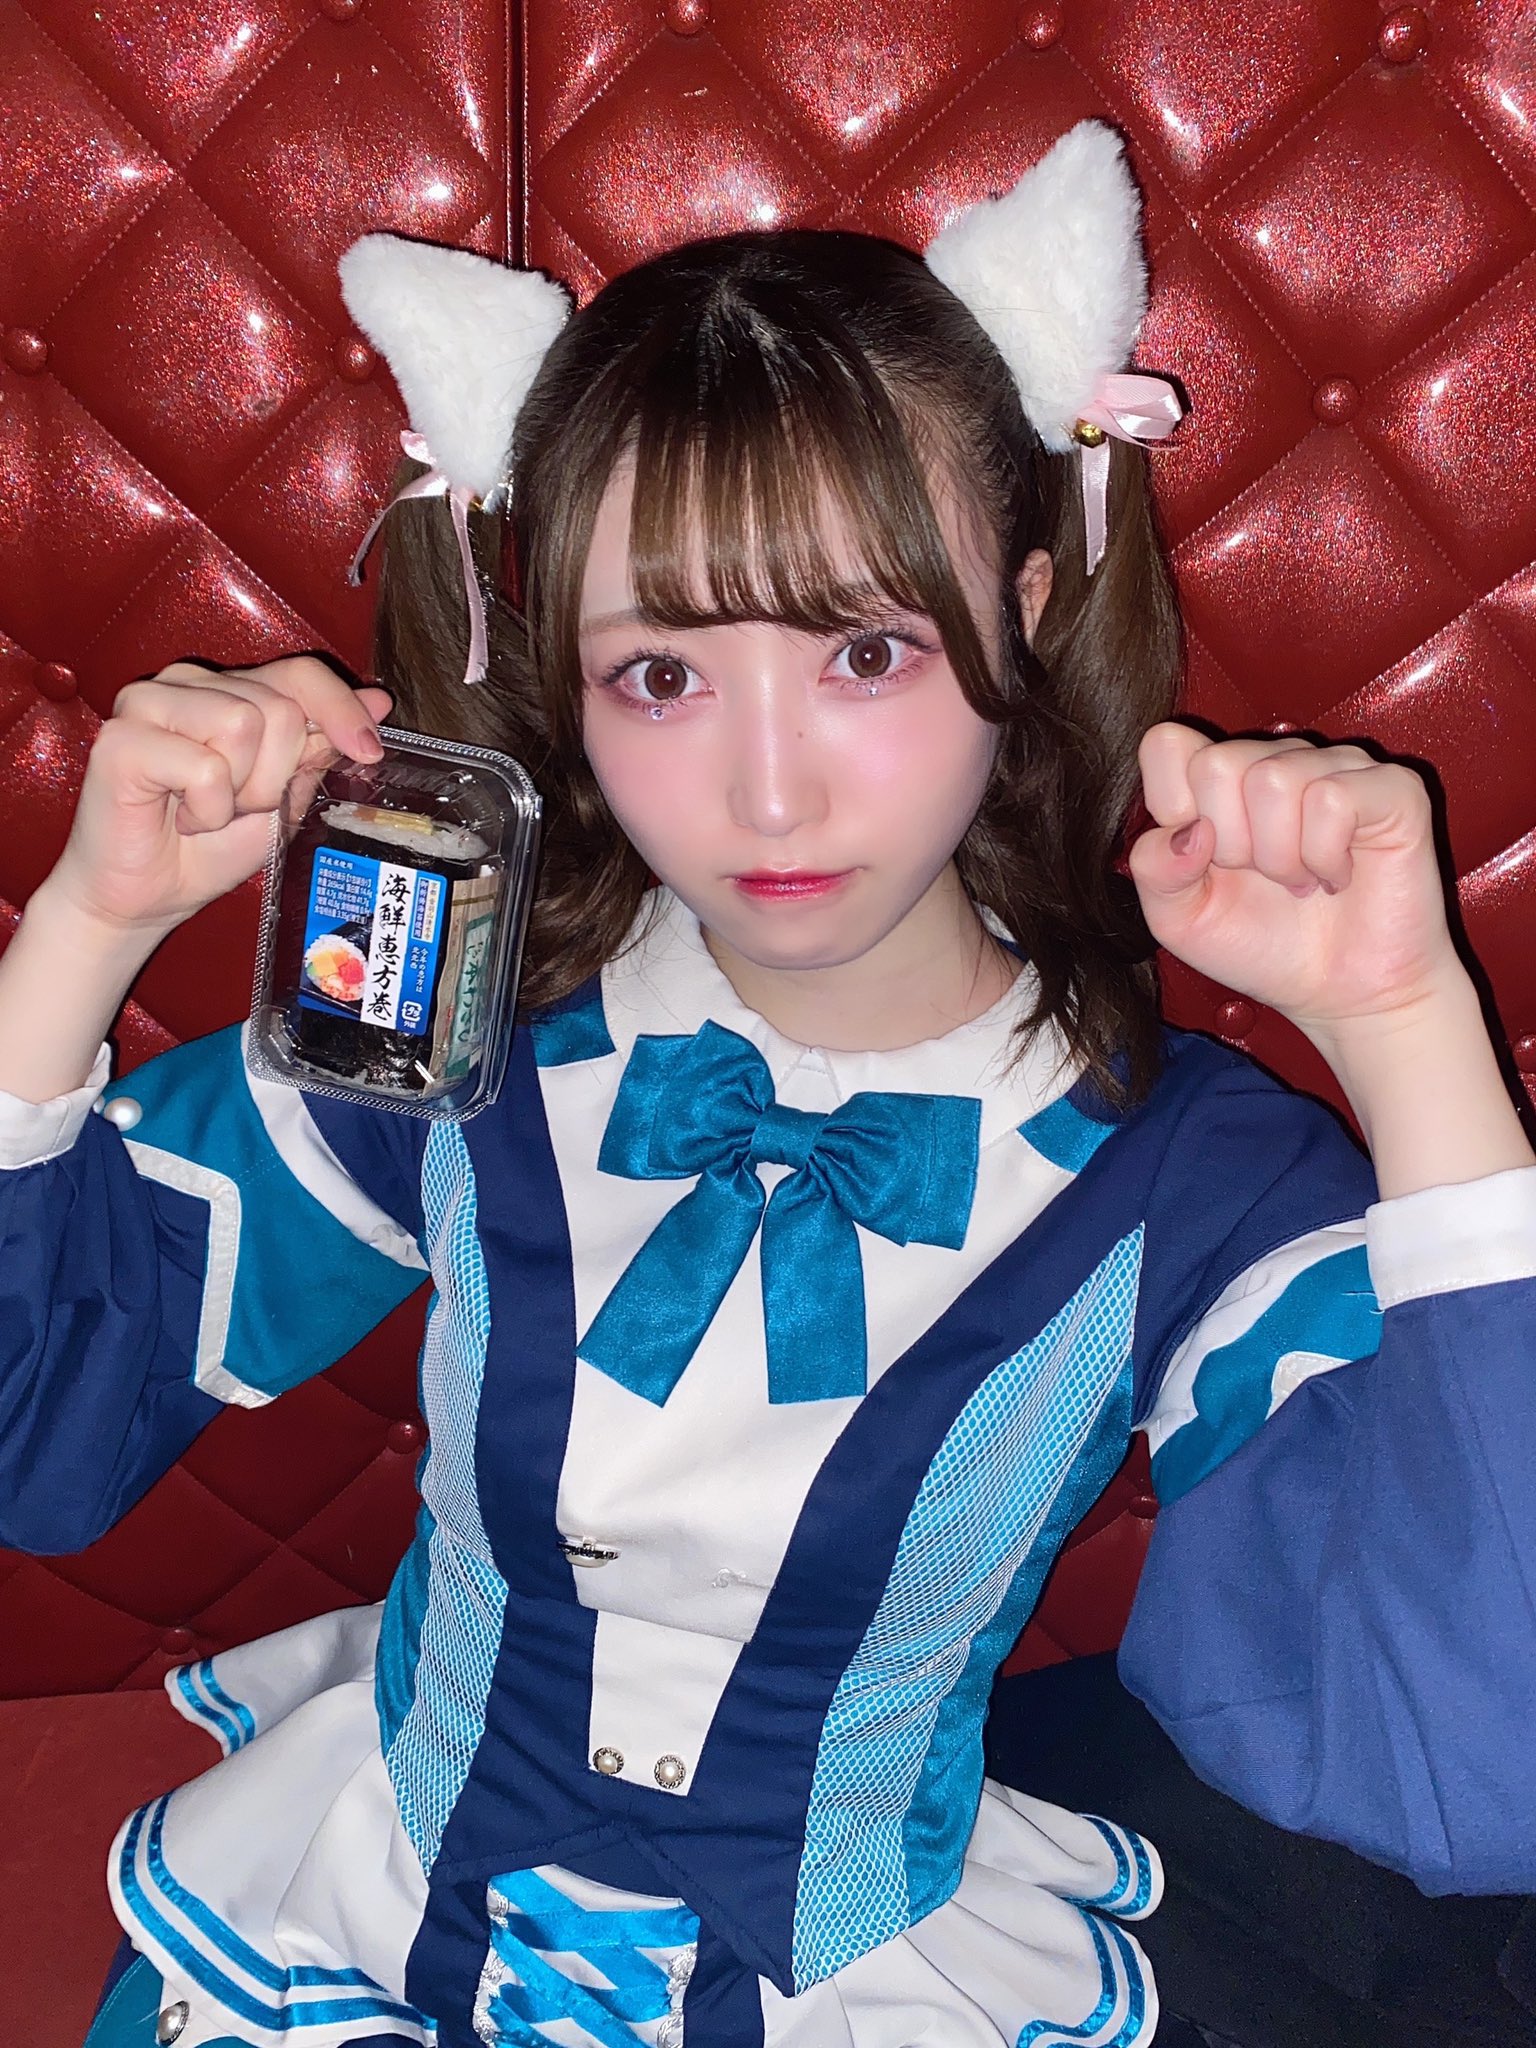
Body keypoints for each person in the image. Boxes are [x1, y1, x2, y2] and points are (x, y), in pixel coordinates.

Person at [1, 121, 1533, 2048]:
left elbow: (1479, 1753)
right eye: (661, 675)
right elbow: (36, 1438)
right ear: (561, 677)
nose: (772, 793)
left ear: (1029, 611)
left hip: (880, 1982)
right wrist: (85, 930)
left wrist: (1410, 1030)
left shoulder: (1194, 1182)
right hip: (356, 1927)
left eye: (867, 650)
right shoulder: (459, 1035)